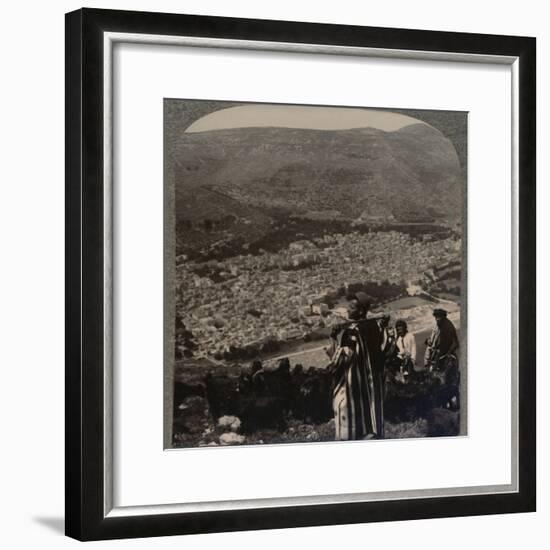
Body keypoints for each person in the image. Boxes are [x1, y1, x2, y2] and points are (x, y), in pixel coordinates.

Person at [327, 292, 385, 440]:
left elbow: (342, 359)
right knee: (372, 413)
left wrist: (334, 336)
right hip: (373, 381)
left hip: (355, 384)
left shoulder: (353, 331)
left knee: (344, 408)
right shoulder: (372, 326)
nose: (348, 310)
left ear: (360, 311)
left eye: (352, 307)